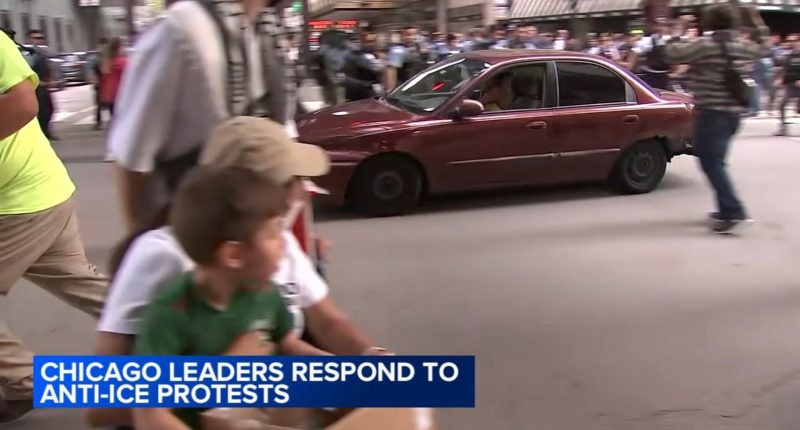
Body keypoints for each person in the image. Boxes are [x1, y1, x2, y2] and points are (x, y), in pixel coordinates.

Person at [86, 117, 384, 428]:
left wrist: (370, 361)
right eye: (292, 181)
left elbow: (326, 321)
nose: (301, 193)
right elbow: (104, 406)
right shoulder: (164, 261)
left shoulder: (274, 247)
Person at [132, 166, 329, 430]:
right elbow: (149, 414)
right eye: (273, 234)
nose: (284, 243)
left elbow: (287, 344)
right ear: (233, 255)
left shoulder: (266, 293)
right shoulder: (170, 316)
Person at [108, 0, 297, 235]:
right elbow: (131, 160)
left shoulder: (267, 32)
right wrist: (141, 244)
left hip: (256, 235)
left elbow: (285, 146)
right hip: (191, 235)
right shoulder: (180, 30)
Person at [0, 30, 108, 423]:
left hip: (17, 204)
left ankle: (25, 380)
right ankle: (187, 334)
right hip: (43, 192)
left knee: (81, 282)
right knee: (83, 283)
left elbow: (22, 101)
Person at [663, 4, 770, 234]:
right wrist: (756, 21)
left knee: (711, 163)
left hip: (711, 113)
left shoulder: (705, 45)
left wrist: (678, 29)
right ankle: (725, 210)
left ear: (710, 22)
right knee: (716, 161)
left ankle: (734, 212)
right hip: (733, 114)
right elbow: (764, 48)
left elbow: (670, 53)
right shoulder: (740, 45)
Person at [25, 29, 57, 141]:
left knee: (49, 109)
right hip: (35, 87)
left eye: (41, 38)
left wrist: (51, 79)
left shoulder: (43, 52)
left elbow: (49, 67)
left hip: (44, 86)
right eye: (36, 38)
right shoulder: (27, 54)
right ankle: (41, 134)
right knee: (40, 111)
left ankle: (45, 132)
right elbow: (27, 71)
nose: (39, 40)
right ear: (29, 39)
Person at [343, 30, 382, 102]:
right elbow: (376, 69)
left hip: (352, 89)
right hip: (364, 90)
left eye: (373, 41)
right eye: (369, 41)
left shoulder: (347, 53)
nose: (372, 44)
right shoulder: (364, 54)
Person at [385, 26, 426, 91]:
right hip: (404, 86)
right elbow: (392, 71)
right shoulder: (398, 50)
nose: (412, 37)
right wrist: (390, 90)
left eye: (415, 34)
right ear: (402, 36)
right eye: (408, 35)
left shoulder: (415, 48)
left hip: (417, 84)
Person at [775, 37, 800, 136]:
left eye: (795, 41)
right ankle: (783, 128)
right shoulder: (789, 56)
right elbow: (785, 69)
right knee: (782, 105)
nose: (793, 43)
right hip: (790, 85)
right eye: (790, 41)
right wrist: (781, 78)